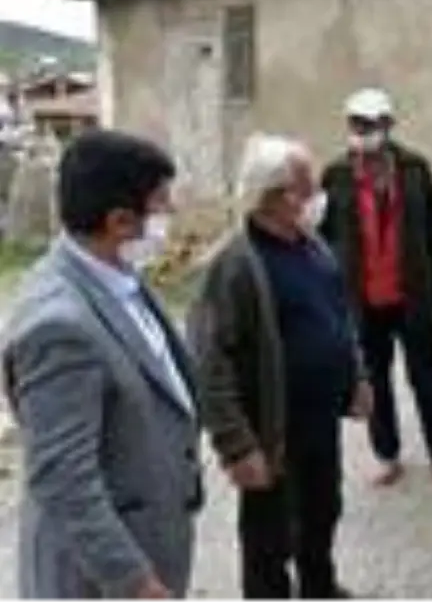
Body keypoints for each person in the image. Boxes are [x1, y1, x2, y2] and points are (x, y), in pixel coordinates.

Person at [2, 130, 202, 602]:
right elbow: (62, 478)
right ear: (119, 221)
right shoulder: (60, 327)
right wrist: (132, 579)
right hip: (97, 582)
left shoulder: (118, 278)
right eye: (160, 207)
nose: (169, 219)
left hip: (153, 541)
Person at [188, 134, 373, 602]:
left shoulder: (314, 247)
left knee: (323, 513)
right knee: (269, 541)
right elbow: (211, 363)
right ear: (276, 196)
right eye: (307, 187)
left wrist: (358, 376)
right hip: (273, 432)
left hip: (320, 423)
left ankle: (319, 590)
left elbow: (339, 319)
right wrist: (235, 446)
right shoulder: (236, 265)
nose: (317, 198)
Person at [318, 88, 432, 486]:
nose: (361, 131)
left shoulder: (415, 169)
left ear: (387, 126)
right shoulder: (335, 175)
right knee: (375, 378)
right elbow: (321, 238)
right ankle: (386, 454)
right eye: (355, 124)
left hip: (412, 295)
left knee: (426, 376)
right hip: (363, 300)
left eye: (369, 124)